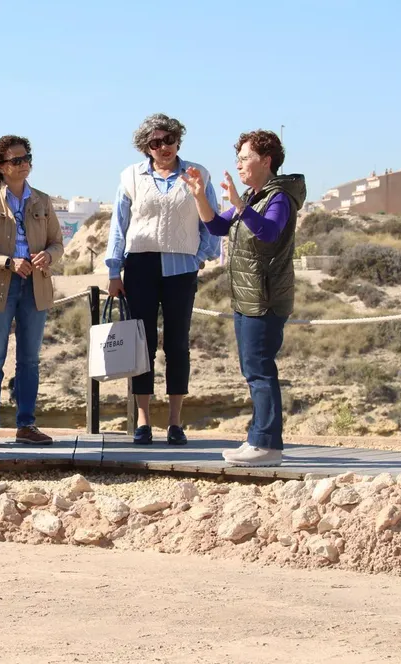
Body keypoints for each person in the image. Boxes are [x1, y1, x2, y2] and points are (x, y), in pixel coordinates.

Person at [182, 130, 306, 467]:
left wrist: (239, 205)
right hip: (246, 298)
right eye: (237, 159)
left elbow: (268, 232)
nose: (238, 165)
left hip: (265, 298)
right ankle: (258, 439)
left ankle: (267, 445)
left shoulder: (279, 197)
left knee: (261, 369)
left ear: (265, 161)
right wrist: (199, 197)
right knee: (252, 369)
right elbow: (217, 227)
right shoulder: (254, 196)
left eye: (244, 158)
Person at [104, 113, 221, 447]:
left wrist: (201, 257)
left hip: (182, 267)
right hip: (140, 265)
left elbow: (210, 219)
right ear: (146, 147)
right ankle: (142, 420)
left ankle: (175, 422)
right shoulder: (131, 177)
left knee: (177, 343)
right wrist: (114, 270)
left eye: (169, 140)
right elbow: (119, 225)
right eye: (155, 142)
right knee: (143, 344)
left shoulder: (197, 174)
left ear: (178, 141)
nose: (163, 147)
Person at [0, 135, 63, 446]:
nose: (24, 165)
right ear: (1, 167)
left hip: (36, 285)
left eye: (26, 159)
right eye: (16, 160)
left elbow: (57, 243)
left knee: (30, 360)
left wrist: (49, 256)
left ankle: (26, 425)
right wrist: (8, 262)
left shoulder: (43, 200)